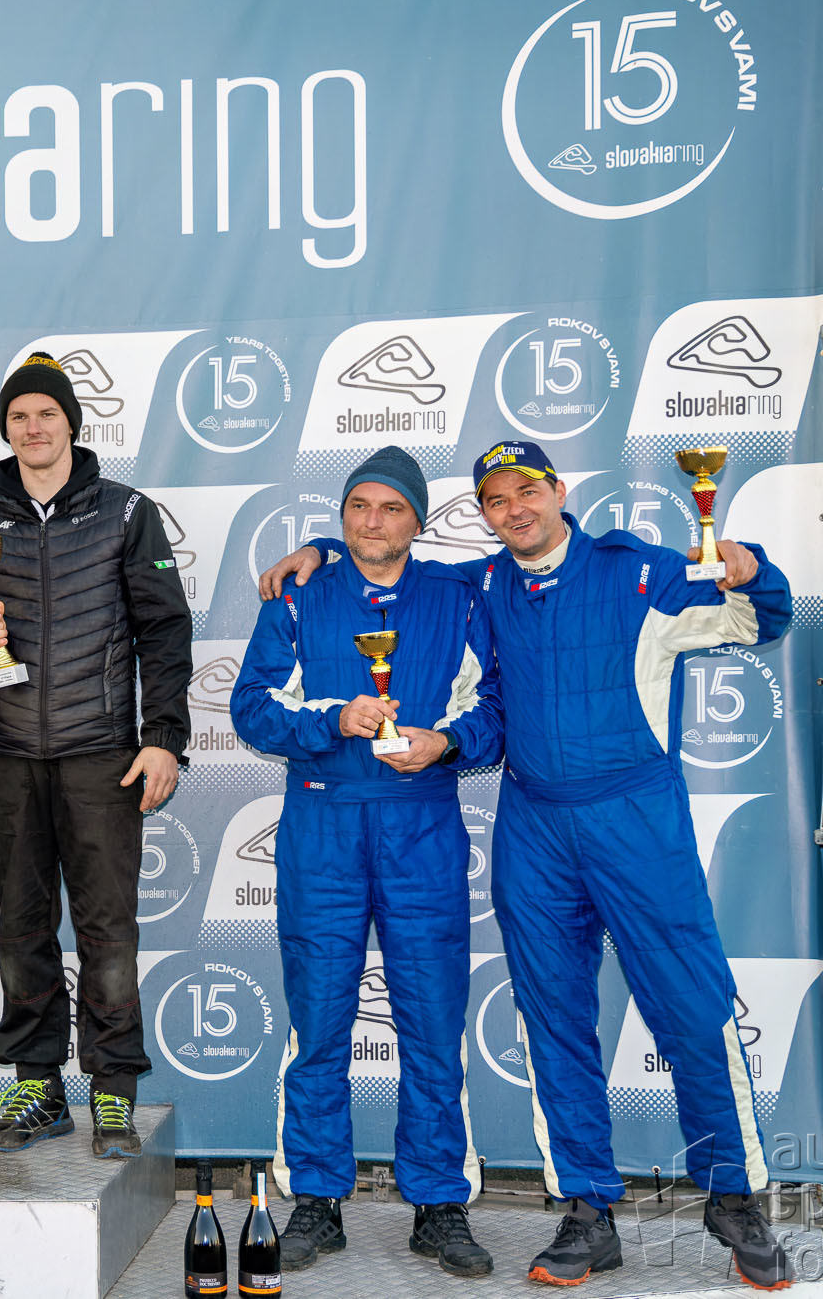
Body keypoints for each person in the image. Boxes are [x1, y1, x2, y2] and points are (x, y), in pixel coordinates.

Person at [257, 439, 795, 1289]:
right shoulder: (482, 584)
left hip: (634, 817)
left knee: (693, 1005)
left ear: (558, 492)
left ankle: (734, 1196)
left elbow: (760, 618)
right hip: (534, 826)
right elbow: (382, 565)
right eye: (496, 499)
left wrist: (752, 567)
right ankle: (586, 1207)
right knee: (553, 1021)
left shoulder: (639, 572)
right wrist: (321, 550)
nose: (514, 509)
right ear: (482, 515)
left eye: (527, 492)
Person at [229, 446, 502, 1280]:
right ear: (341, 517)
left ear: (418, 520)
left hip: (423, 826)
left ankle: (439, 1202)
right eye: (357, 506)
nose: (372, 521)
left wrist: (446, 742)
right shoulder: (299, 594)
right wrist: (332, 720)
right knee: (318, 1022)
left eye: (390, 507)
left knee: (432, 1020)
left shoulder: (458, 597)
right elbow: (251, 707)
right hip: (325, 824)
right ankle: (316, 1196)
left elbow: (496, 711)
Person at [0, 351, 194, 1159]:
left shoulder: (126, 512)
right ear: (6, 429)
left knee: (108, 930)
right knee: (23, 927)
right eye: (18, 416)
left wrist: (163, 738)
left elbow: (164, 631)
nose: (33, 427)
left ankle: (113, 1089)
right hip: (10, 754)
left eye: (46, 413)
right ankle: (37, 1085)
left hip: (101, 755)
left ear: (72, 424)